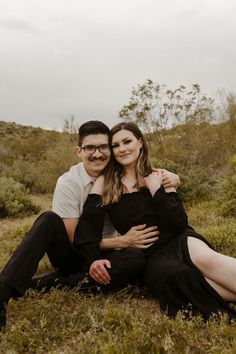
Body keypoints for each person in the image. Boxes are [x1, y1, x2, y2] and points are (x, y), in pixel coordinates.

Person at [0, 120, 180, 330]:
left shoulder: (120, 174)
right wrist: (120, 241)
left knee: (135, 259)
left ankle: (53, 283)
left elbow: (150, 170)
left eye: (103, 147)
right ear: (79, 151)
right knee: (48, 219)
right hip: (75, 253)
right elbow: (74, 240)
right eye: (89, 148)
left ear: (111, 151)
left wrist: (175, 178)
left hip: (109, 255)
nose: (97, 154)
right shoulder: (69, 182)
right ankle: (4, 291)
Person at [75, 122, 236, 320]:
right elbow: (87, 229)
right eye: (116, 145)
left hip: (179, 240)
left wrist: (156, 191)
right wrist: (95, 258)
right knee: (176, 278)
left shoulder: (159, 175)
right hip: (150, 256)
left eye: (127, 141)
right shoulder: (106, 182)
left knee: (207, 259)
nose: (122, 148)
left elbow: (178, 223)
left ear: (140, 142)